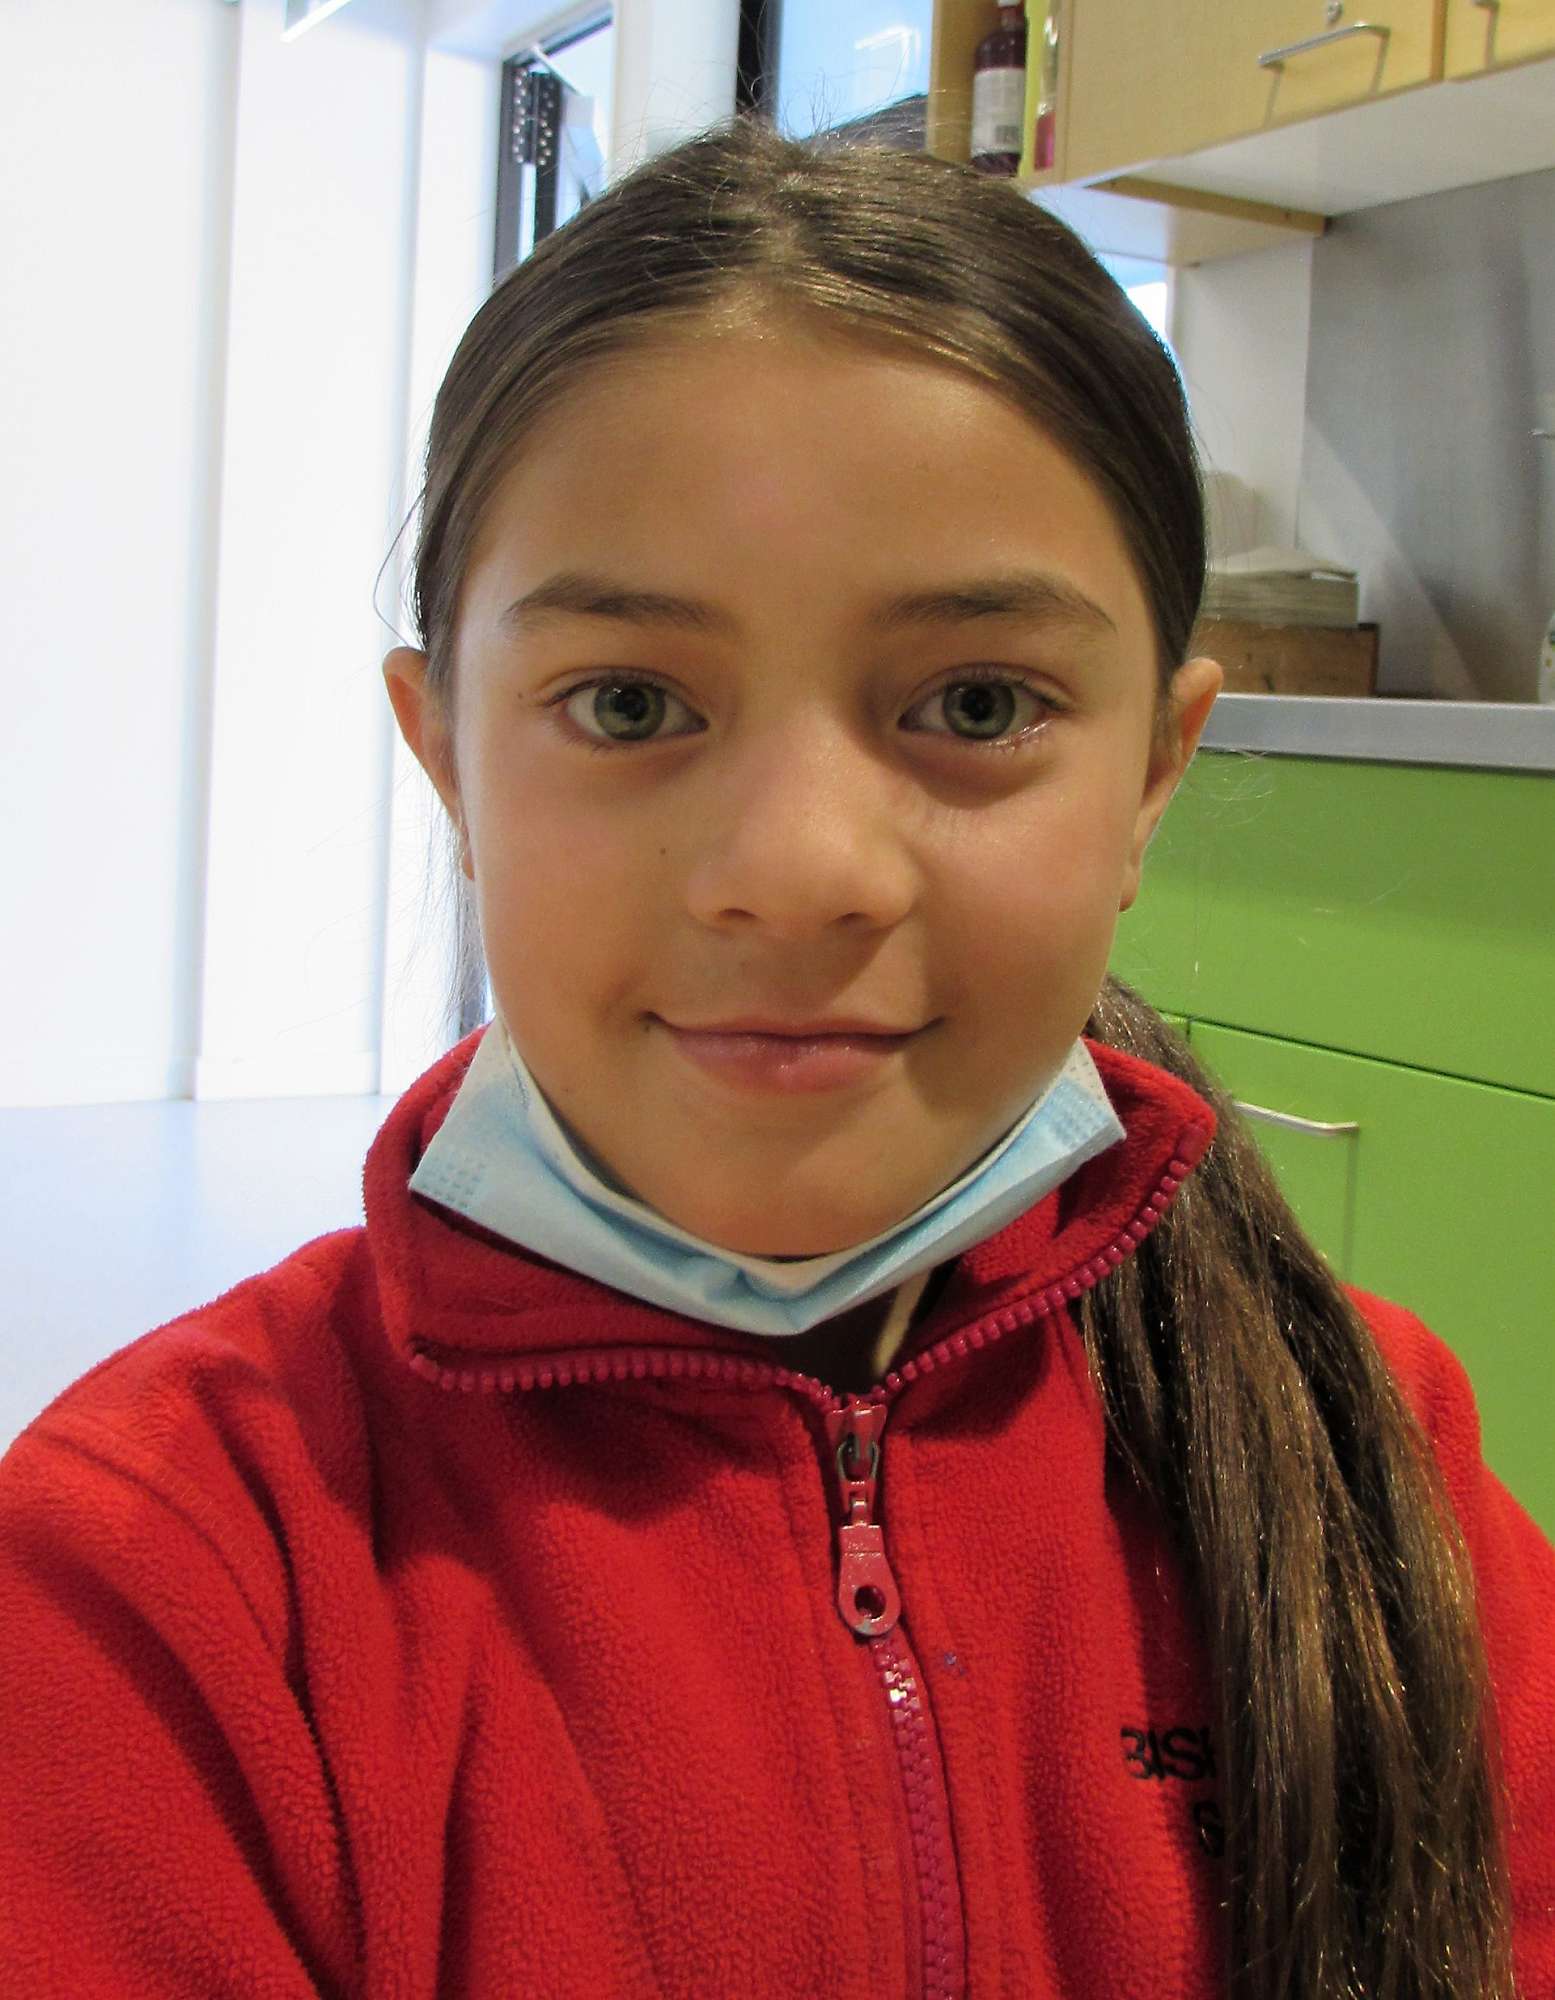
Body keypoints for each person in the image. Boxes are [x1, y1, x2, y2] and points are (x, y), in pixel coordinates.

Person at [0, 112, 1550, 2000]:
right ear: (448, 757)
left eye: (976, 702)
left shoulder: (1365, 1443)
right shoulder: (168, 1576)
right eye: (628, 703)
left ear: (1156, 769)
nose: (800, 874)